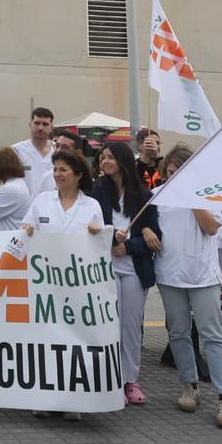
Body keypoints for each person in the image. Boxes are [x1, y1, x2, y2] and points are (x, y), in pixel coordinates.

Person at [154, 143, 222, 429]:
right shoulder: (157, 197)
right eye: (170, 170)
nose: (172, 175)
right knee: (178, 332)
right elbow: (147, 225)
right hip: (169, 275)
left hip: (203, 276)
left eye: (179, 170)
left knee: (212, 334)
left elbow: (211, 227)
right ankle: (189, 385)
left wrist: (190, 198)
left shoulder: (209, 195)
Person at [21, 148, 104, 422]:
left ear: (78, 175)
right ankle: (43, 397)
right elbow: (25, 228)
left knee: (74, 341)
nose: (57, 175)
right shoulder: (42, 201)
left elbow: (102, 245)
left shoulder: (91, 206)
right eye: (55, 170)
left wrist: (97, 234)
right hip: (46, 283)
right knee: (46, 340)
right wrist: (29, 230)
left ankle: (73, 399)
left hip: (77, 285)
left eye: (63, 170)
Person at [92, 141, 161, 406]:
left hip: (133, 270)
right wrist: (111, 241)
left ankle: (130, 380)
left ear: (122, 161)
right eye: (102, 157)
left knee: (131, 326)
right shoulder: (96, 193)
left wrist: (129, 245)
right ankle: (109, 379)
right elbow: (89, 228)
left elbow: (156, 238)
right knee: (108, 325)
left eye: (109, 157)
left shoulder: (143, 197)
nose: (104, 162)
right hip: (103, 268)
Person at [13, 107, 55, 196]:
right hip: (26, 208)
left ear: (51, 127)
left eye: (45, 124)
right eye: (37, 123)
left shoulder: (58, 151)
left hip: (53, 207)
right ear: (30, 125)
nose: (40, 127)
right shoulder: (16, 151)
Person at [36, 129, 85, 193]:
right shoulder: (46, 178)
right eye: (57, 146)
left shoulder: (87, 181)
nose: (58, 150)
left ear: (78, 153)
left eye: (65, 147)